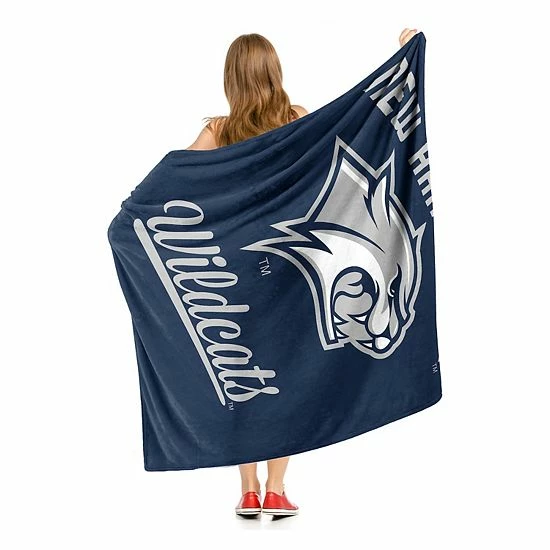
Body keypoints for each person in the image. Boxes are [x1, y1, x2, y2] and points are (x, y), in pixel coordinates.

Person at [185, 27, 419, 518]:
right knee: (287, 376)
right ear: (274, 72)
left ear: (231, 78)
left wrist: (132, 216)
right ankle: (276, 488)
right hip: (290, 275)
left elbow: (178, 185)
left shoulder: (217, 131)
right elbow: (351, 140)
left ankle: (248, 490)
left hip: (237, 271)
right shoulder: (296, 119)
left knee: (245, 379)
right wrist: (404, 62)